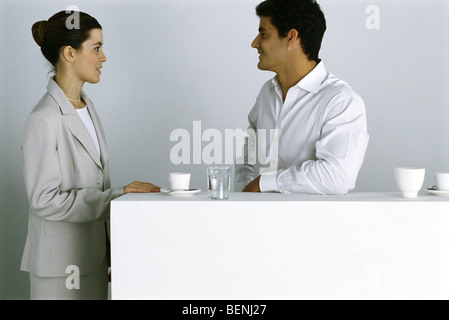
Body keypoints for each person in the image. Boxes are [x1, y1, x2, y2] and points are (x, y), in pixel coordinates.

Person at [21, 10, 160, 300]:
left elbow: (93, 183)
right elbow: (44, 200)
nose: (103, 57)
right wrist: (117, 195)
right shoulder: (43, 119)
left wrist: (111, 253)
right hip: (59, 268)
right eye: (96, 48)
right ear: (69, 53)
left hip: (92, 260)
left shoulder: (86, 106)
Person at [235, 0, 369, 194]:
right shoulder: (267, 92)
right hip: (257, 219)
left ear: (291, 37)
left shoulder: (341, 101)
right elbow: (247, 158)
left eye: (263, 34)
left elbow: (337, 177)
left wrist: (264, 183)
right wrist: (242, 196)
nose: (255, 43)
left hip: (311, 223)